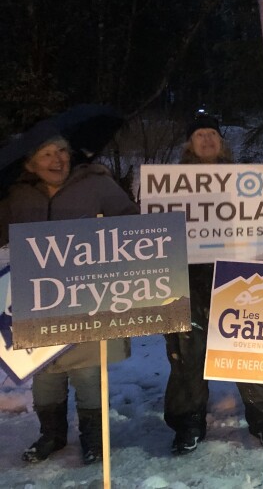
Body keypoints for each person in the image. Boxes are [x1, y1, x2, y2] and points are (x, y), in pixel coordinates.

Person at [0, 136, 137, 464]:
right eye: (46, 153)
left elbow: (133, 225)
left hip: (88, 297)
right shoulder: (14, 194)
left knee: (88, 373)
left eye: (62, 150)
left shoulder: (97, 184)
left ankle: (94, 438)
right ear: (30, 163)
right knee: (45, 374)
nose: (57, 159)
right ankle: (52, 434)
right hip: (34, 300)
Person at [162, 114, 263, 453]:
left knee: (247, 346)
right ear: (189, 143)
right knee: (187, 354)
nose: (206, 139)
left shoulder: (243, 178)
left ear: (221, 140)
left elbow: (260, 224)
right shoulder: (169, 184)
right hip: (185, 280)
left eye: (212, 133)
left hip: (235, 278)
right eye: (199, 134)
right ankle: (188, 424)